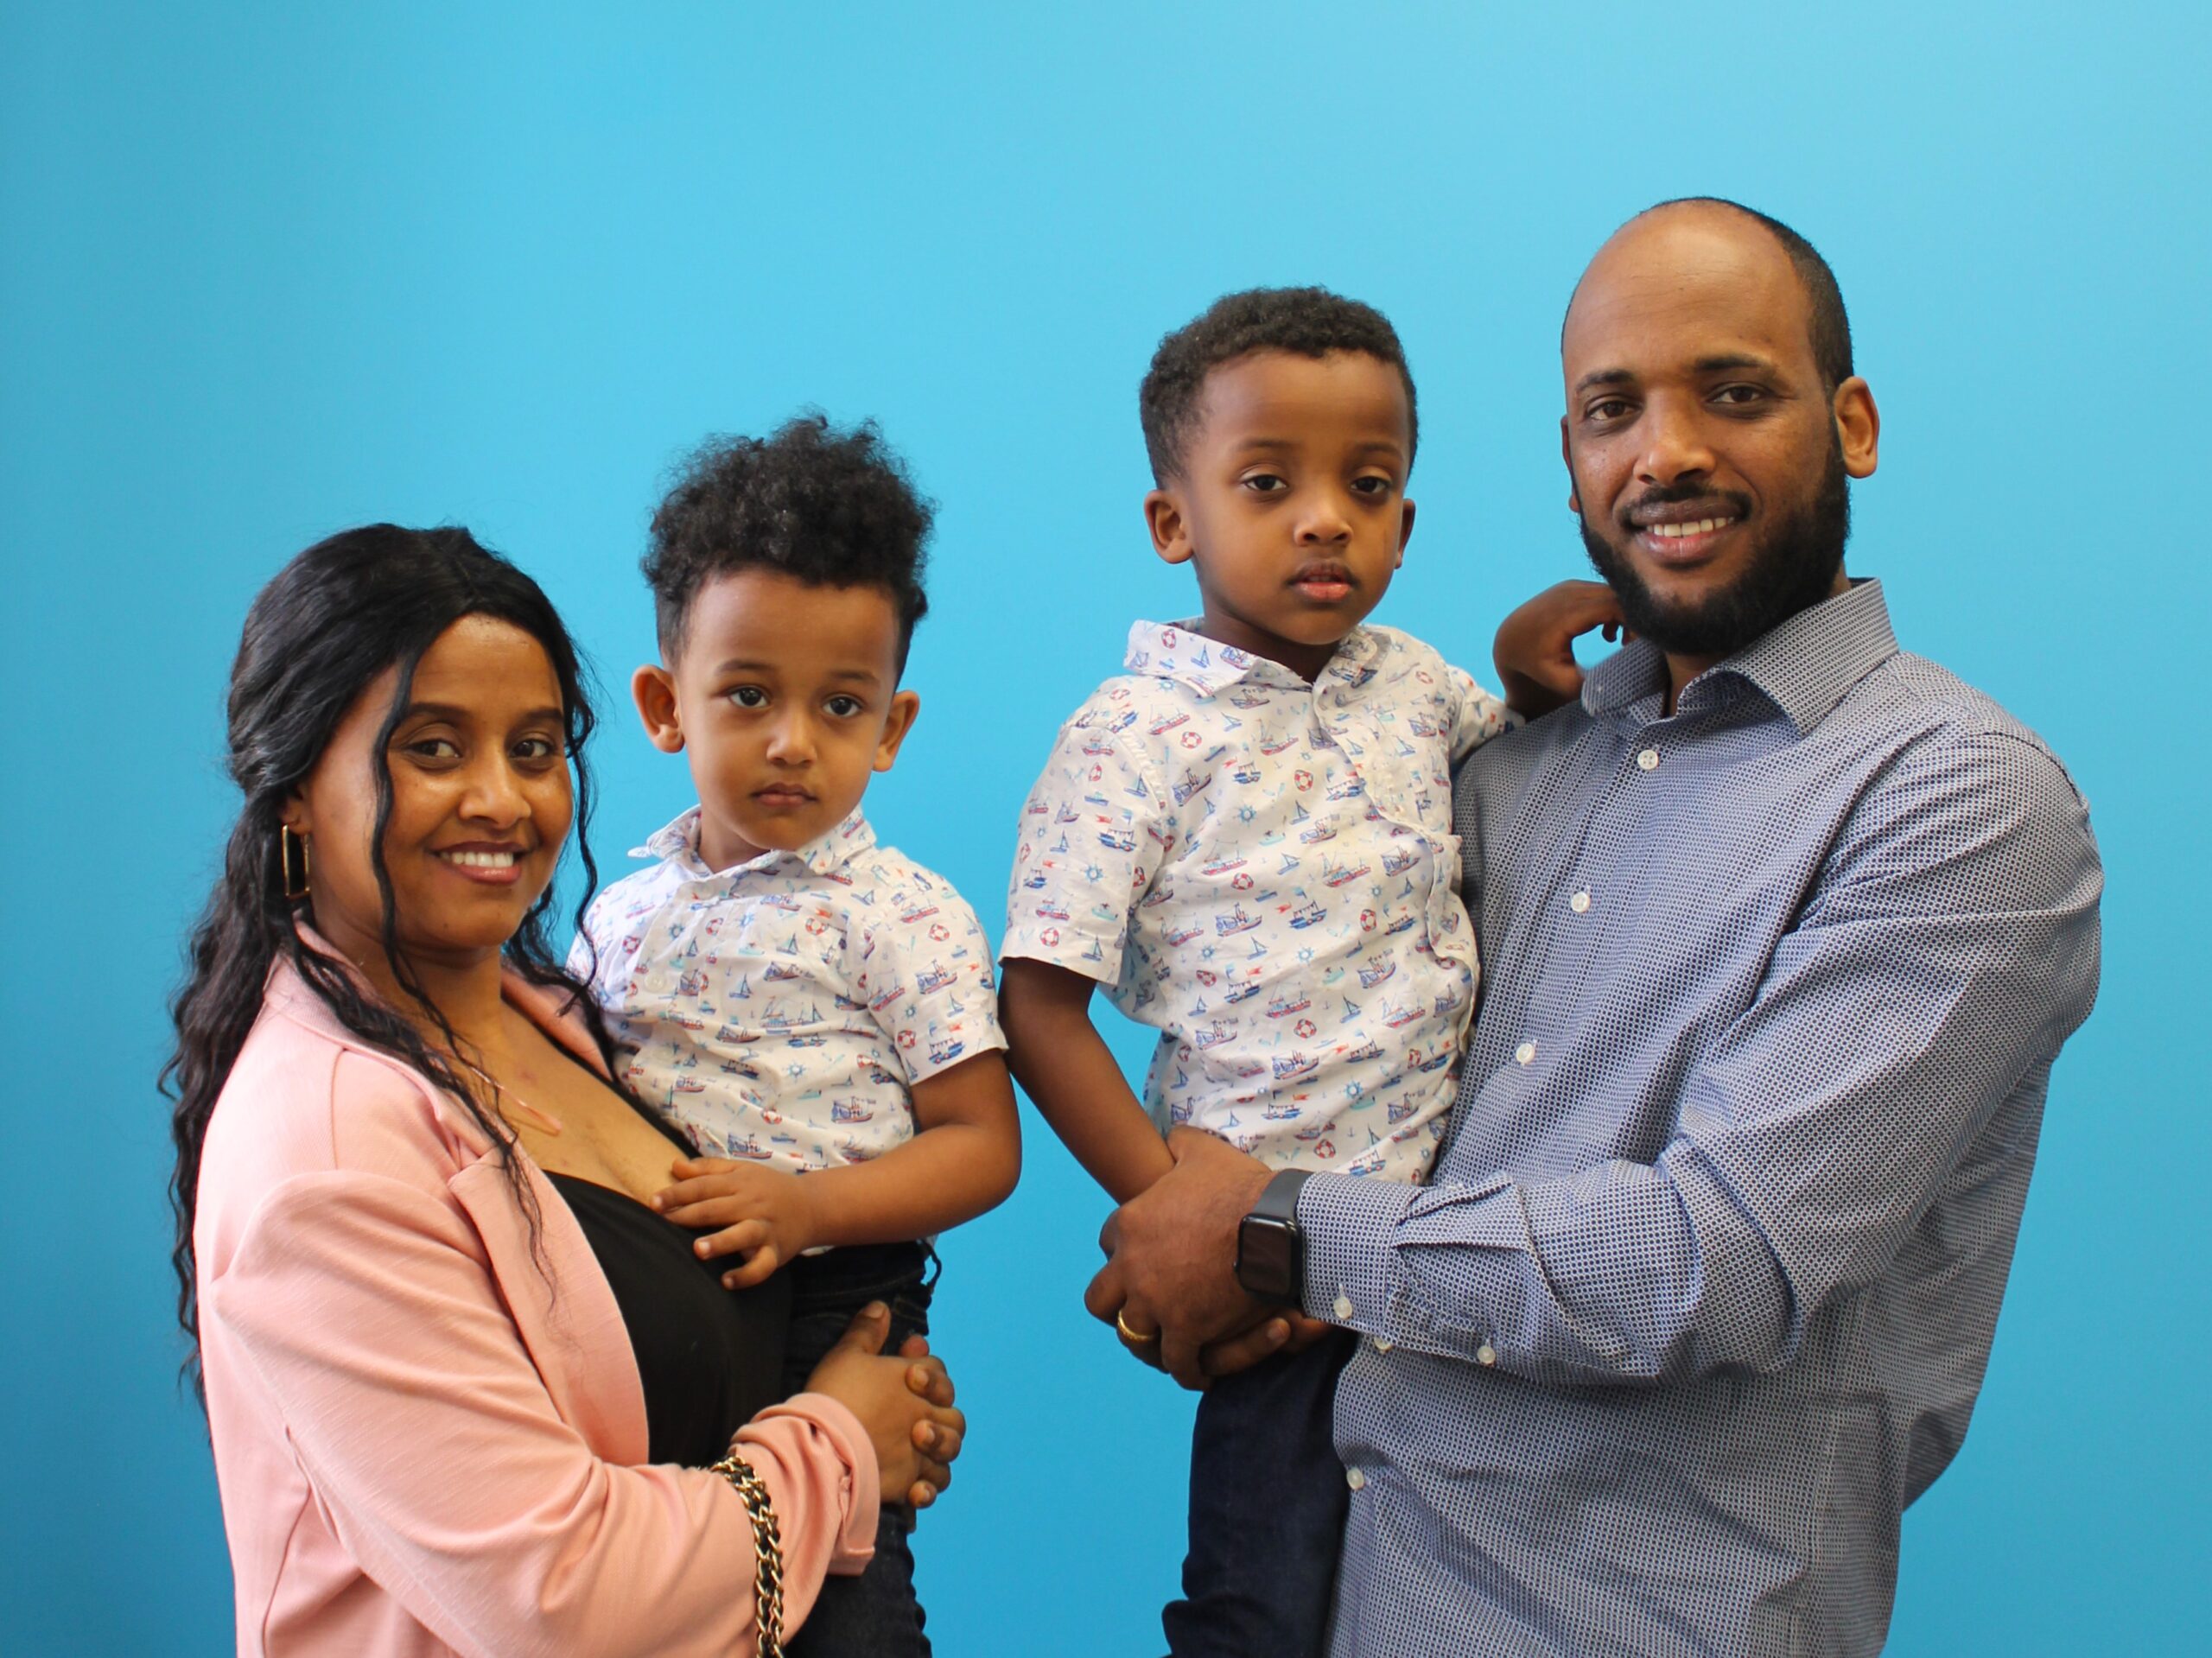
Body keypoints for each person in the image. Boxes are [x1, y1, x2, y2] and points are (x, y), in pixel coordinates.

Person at [1082, 198, 2104, 1656]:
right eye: (1611, 409)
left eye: (1735, 392)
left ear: (1854, 423)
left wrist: (1262, 1233)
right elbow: (1307, 1026)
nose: (1666, 449)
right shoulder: (1506, 773)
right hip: (1327, 1585)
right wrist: (1197, 1223)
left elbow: (1711, 1262)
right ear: (1571, 466)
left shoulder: (1957, 802)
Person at [167, 524, 967, 1657]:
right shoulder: (326, 1156)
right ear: (295, 789)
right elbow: (560, 1600)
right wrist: (842, 1446)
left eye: (535, 749)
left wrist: (878, 1397)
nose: (503, 799)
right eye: (433, 749)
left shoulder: (556, 1011)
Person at [995, 288, 1617, 1658]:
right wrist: (1178, 1217)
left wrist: (1523, 671)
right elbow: (1038, 1004)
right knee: (1264, 1605)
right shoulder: (1134, 736)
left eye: (1368, 484)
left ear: (1405, 525)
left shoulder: (1411, 684)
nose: (1324, 516)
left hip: (1449, 1252)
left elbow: (1510, 756)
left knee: (1443, 1601)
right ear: (1177, 523)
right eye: (1268, 483)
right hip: (1267, 1264)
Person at [569, 416, 1020, 1657]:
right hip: (650, 1301)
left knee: (837, 1616)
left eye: (839, 705)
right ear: (667, 705)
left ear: (891, 727)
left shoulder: (903, 915)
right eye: (749, 694)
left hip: (833, 1302)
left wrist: (808, 1210)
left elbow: (983, 1147)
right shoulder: (618, 911)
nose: (791, 740)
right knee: (674, 1601)